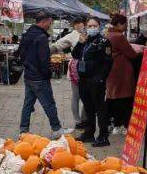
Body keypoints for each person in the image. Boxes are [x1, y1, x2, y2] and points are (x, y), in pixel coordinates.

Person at [18, 11, 64, 138]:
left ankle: (23, 130)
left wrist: (27, 66)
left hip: (28, 76)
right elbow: (44, 60)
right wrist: (47, 74)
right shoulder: (41, 37)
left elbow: (20, 53)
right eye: (50, 22)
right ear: (44, 21)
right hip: (39, 78)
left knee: (27, 104)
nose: (50, 24)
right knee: (49, 103)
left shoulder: (27, 34)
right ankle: (56, 129)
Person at [72, 17, 112, 146]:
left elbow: (108, 63)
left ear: (99, 27)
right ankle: (89, 133)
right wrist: (79, 43)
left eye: (94, 26)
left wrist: (101, 79)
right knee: (88, 108)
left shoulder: (104, 41)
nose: (92, 28)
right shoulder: (85, 40)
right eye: (89, 26)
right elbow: (75, 55)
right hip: (83, 80)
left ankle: (103, 136)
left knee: (100, 109)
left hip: (96, 81)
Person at [105, 13, 140, 133]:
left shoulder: (108, 34)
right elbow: (132, 54)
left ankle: (113, 124)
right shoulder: (118, 36)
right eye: (125, 24)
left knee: (112, 97)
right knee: (124, 98)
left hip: (112, 70)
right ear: (119, 24)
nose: (126, 26)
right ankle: (122, 125)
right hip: (121, 71)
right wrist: (140, 50)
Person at [53, 15, 89, 130]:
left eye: (81, 23)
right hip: (76, 68)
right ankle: (78, 121)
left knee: (88, 96)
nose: (79, 26)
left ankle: (85, 119)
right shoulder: (72, 35)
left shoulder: (91, 33)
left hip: (90, 68)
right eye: (76, 24)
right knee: (76, 95)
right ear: (74, 26)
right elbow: (57, 44)